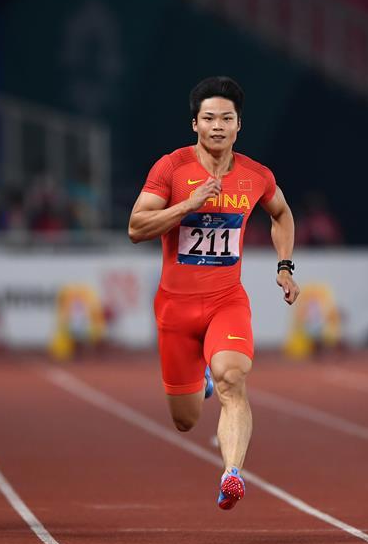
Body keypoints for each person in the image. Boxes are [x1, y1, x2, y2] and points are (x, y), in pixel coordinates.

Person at [128, 76, 300, 510]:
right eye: (209, 118)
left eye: (226, 118)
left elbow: (281, 213)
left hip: (226, 302)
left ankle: (231, 474)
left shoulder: (256, 175)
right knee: (186, 421)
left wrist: (284, 266)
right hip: (175, 310)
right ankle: (199, 381)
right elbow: (135, 228)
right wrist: (188, 205)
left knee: (233, 379)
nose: (218, 126)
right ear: (195, 124)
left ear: (239, 125)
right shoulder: (171, 168)